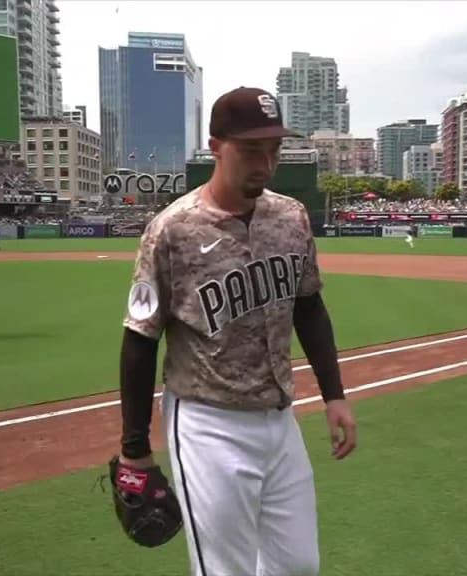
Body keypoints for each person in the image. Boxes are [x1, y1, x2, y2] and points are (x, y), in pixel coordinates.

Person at [114, 86, 357, 576]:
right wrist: (135, 448)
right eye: (251, 150)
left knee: (298, 566)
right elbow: (140, 338)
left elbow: (309, 307)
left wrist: (335, 395)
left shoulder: (290, 217)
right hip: (208, 424)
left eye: (274, 150)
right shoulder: (171, 230)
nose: (265, 163)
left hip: (278, 417)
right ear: (215, 146)